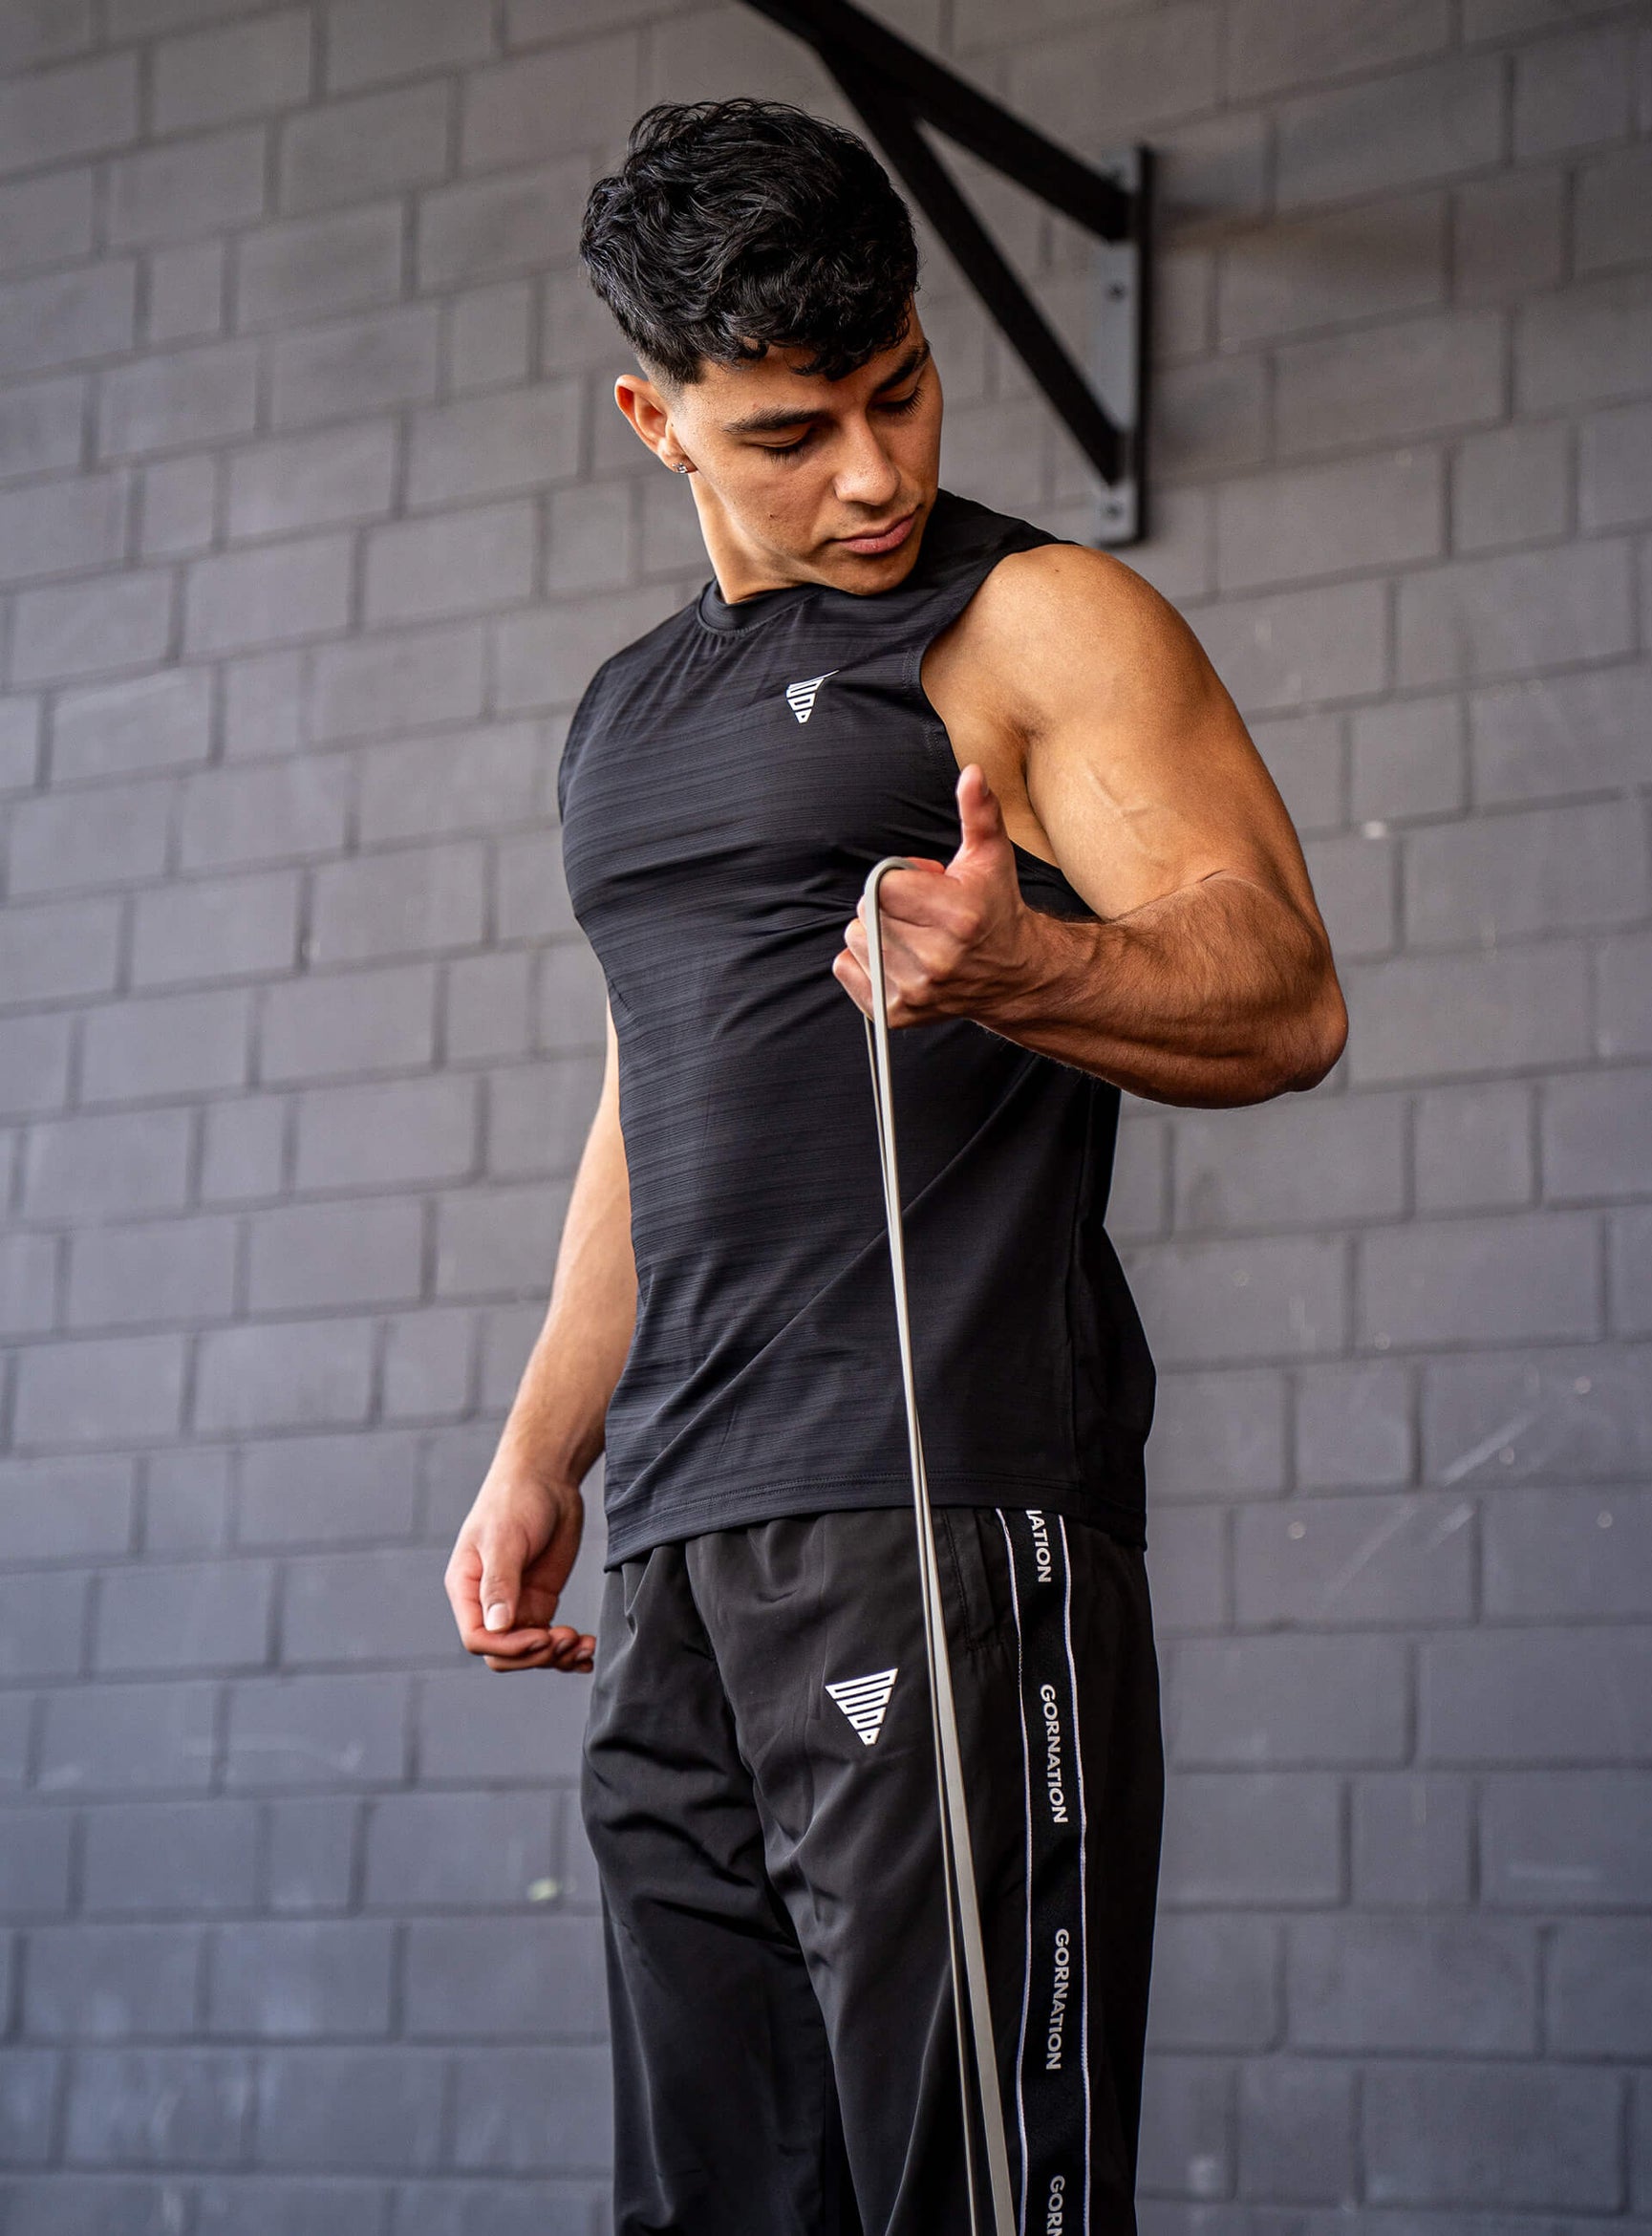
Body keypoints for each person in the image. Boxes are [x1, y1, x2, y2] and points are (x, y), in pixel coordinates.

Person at [443, 97, 1346, 2236]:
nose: (872, 473)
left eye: (900, 393)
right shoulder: (625, 719)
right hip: (682, 1548)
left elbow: (1283, 990)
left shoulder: (1029, 623)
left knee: (972, 2202)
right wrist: (542, 1450)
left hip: (938, 1513)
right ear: (655, 419)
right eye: (790, 433)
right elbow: (650, 1105)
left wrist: (1023, 959)